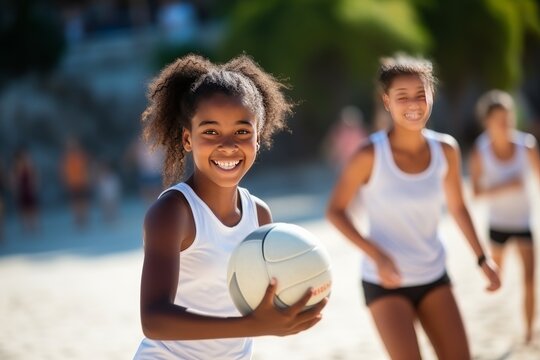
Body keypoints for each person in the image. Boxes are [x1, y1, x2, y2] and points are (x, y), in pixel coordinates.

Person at [134, 54, 327, 359]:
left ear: (258, 138)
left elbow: (263, 298)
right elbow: (154, 321)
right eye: (210, 131)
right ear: (187, 138)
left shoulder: (260, 214)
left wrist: (293, 303)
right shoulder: (173, 213)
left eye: (242, 132)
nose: (227, 144)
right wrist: (252, 325)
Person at [326, 54, 501, 360]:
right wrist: (376, 255)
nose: (413, 104)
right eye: (402, 97)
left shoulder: (446, 149)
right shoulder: (369, 155)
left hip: (434, 274)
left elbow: (458, 208)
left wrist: (482, 258)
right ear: (386, 101)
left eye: (421, 95)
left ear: (431, 97)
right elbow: (335, 212)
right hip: (384, 283)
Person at [469, 89, 540, 343]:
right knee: (497, 280)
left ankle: (530, 333)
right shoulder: (480, 151)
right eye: (499, 120)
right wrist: (506, 186)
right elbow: (475, 193)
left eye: (508, 118)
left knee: (530, 281)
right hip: (497, 225)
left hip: (523, 224)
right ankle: (486, 328)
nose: (505, 124)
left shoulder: (527, 146)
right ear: (487, 122)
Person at [61, 137, 91, 229]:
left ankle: (84, 219)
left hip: (82, 181)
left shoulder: (81, 155)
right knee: (75, 202)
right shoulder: (66, 157)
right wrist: (65, 181)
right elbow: (63, 171)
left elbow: (87, 167)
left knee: (83, 201)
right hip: (72, 183)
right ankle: (78, 220)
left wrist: (88, 178)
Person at [12, 147, 40, 233]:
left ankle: (34, 226)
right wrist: (15, 189)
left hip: (30, 190)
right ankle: (27, 227)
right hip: (22, 191)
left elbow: (35, 176)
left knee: (32, 208)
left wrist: (35, 185)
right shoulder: (16, 168)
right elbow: (13, 180)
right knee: (24, 210)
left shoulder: (30, 166)